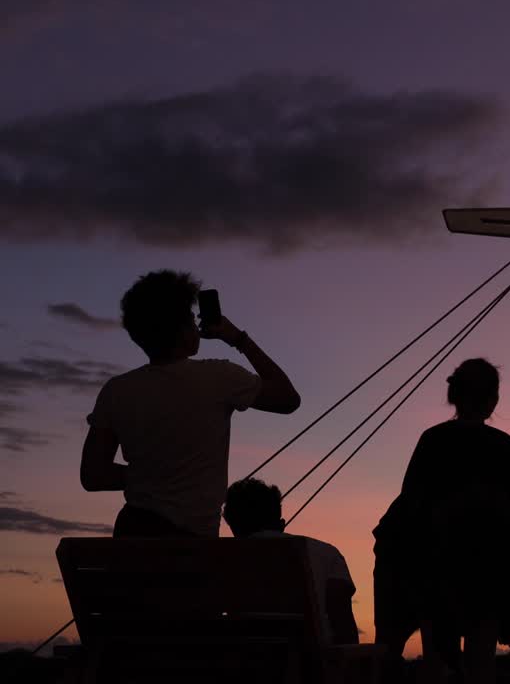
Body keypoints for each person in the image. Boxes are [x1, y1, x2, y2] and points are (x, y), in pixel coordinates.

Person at [373, 358, 510, 684]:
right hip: (485, 571)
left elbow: (413, 506)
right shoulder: (504, 448)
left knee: (434, 659)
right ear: (494, 401)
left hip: (433, 568)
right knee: (481, 660)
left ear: (454, 396)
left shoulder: (433, 440)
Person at [80, 270, 300, 538]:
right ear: (182, 328)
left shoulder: (115, 390)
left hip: (132, 543)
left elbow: (94, 475)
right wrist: (237, 339)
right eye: (190, 319)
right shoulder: (219, 377)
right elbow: (288, 399)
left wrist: (149, 477)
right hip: (193, 552)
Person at [222, 477, 358, 645]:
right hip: (310, 661)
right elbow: (344, 627)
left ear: (234, 526)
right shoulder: (327, 554)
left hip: (243, 662)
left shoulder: (219, 559)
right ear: (281, 524)